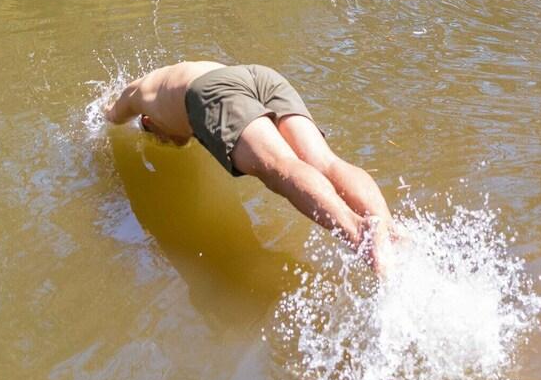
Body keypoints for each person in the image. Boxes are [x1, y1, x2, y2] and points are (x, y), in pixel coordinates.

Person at [105, 61, 400, 272]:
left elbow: (112, 115)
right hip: (257, 76)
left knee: (280, 167)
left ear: (147, 123)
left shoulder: (138, 97)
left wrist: (104, 120)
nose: (174, 143)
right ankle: (389, 231)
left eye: (161, 139)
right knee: (324, 160)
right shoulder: (171, 80)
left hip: (212, 92)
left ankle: (359, 234)